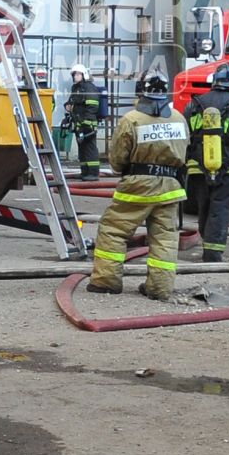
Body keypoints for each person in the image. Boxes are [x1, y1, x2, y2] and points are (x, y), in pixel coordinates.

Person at [87, 70, 189, 299]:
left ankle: (106, 281)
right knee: (164, 237)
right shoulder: (178, 118)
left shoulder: (131, 119)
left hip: (138, 186)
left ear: (140, 91)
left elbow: (117, 160)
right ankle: (159, 289)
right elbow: (185, 153)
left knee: (113, 230)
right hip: (171, 187)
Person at [184, 63, 229, 262]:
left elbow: (185, 138)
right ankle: (213, 253)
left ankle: (207, 243)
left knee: (204, 207)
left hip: (197, 168)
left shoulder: (194, 105)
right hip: (227, 168)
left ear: (214, 82)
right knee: (220, 208)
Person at [64, 63, 105, 181]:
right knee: (82, 149)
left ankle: (93, 173)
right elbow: (72, 101)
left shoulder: (89, 88)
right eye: (74, 74)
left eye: (77, 74)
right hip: (78, 124)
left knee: (90, 149)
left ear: (84, 75)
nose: (75, 76)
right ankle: (85, 172)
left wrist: (86, 123)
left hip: (88, 124)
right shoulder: (75, 88)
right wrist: (68, 105)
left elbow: (92, 106)